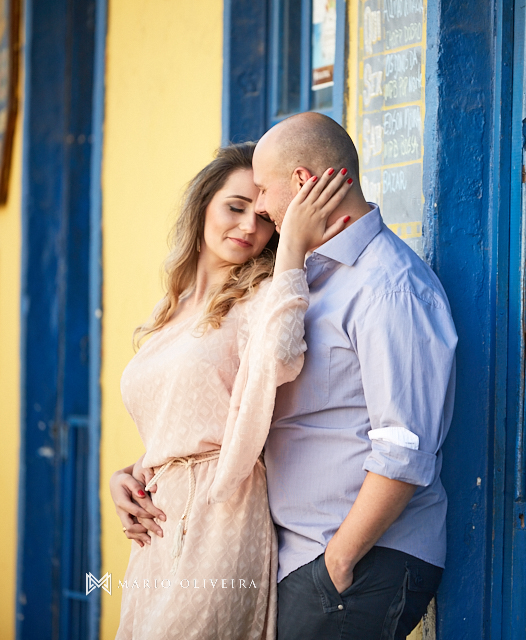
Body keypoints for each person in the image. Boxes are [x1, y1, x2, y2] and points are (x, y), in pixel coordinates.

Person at [115, 113, 458, 639]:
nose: (260, 213)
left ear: (300, 182)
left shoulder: (389, 287)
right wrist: (142, 471)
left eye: (263, 192)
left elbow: (403, 449)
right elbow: (238, 407)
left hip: (353, 559)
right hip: (295, 554)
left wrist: (338, 563)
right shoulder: (311, 279)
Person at [109, 141, 353, 640]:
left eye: (263, 217)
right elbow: (181, 415)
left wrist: (291, 251)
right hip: (158, 526)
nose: (248, 227)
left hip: (222, 516)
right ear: (203, 205)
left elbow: (280, 358)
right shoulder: (170, 309)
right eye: (235, 207)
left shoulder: (262, 295)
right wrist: (129, 474)